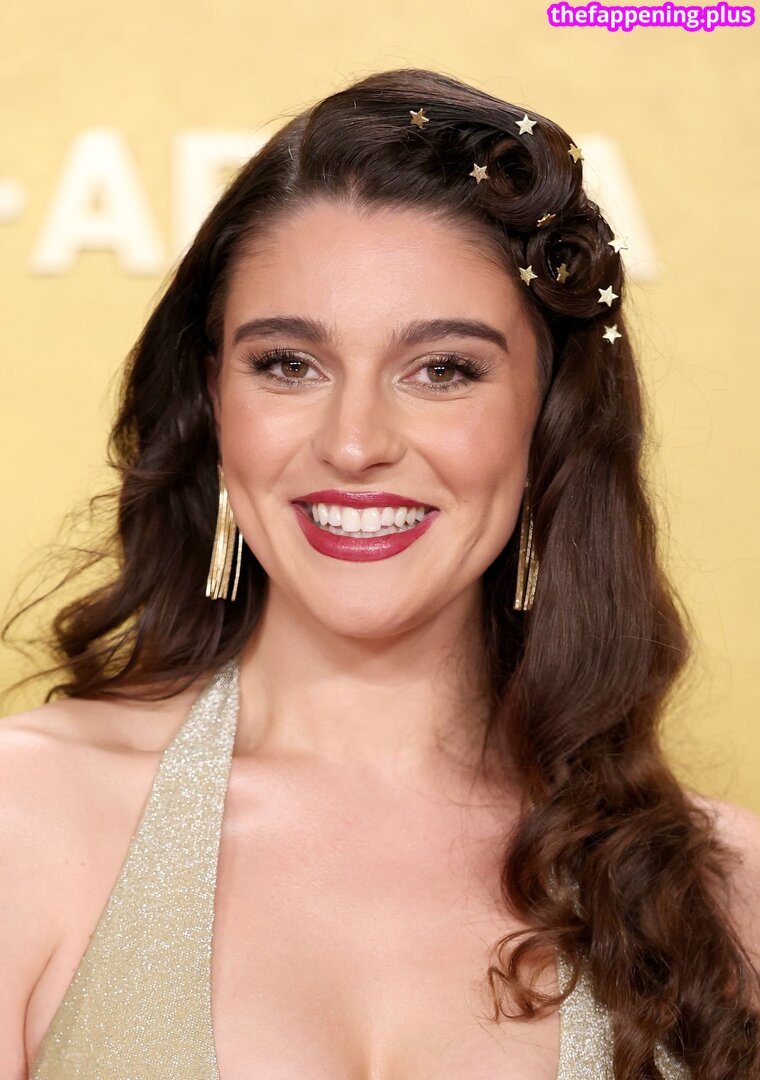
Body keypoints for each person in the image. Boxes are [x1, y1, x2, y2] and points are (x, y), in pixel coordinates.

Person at [1, 67, 758, 1080]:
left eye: (443, 369)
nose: (354, 443)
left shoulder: (728, 895)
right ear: (215, 405)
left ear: (550, 420)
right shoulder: (25, 821)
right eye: (288, 364)